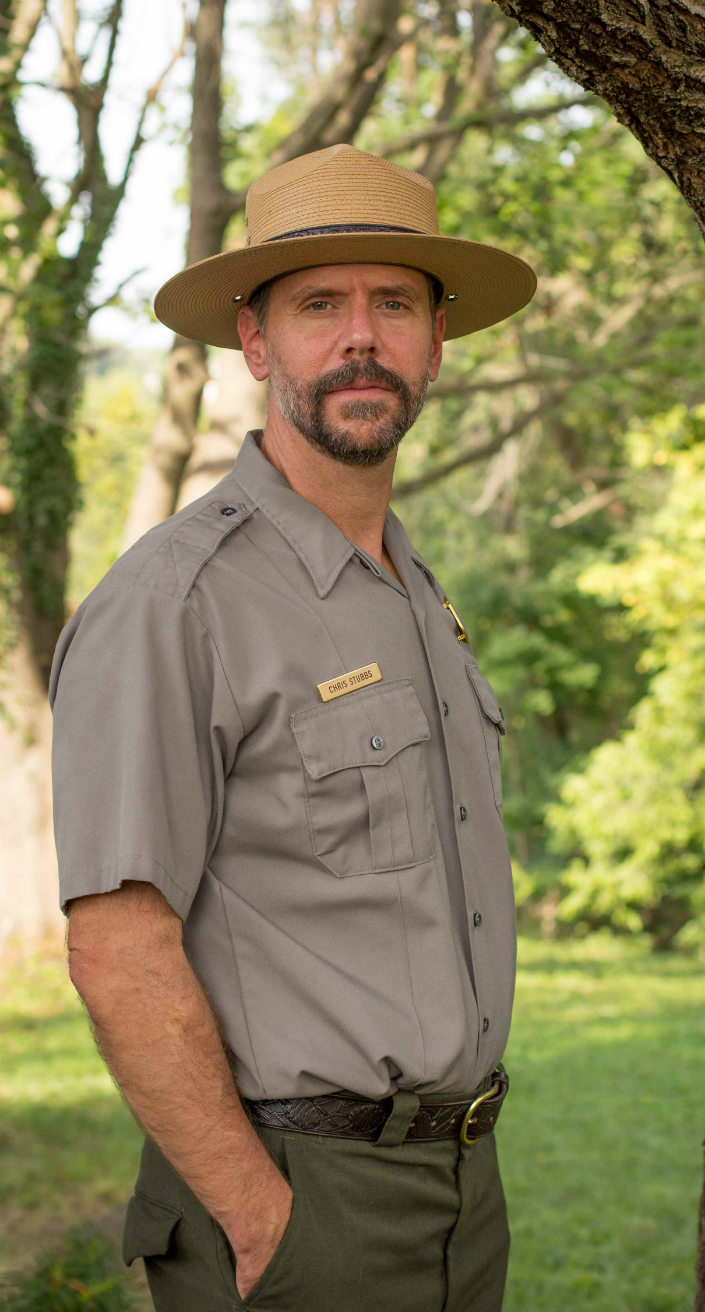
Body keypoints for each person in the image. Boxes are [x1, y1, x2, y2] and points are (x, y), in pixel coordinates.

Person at [50, 143, 536, 1311]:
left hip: (463, 1195)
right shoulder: (176, 601)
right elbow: (117, 944)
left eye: (395, 304)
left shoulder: (415, 593)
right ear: (257, 342)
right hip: (296, 1201)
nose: (360, 337)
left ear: (435, 341)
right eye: (320, 305)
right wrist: (259, 1211)